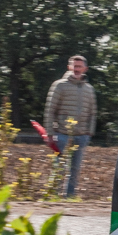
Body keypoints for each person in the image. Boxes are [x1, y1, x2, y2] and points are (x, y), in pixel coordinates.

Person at [44, 55, 97, 198]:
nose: (76, 69)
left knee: (75, 169)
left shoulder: (89, 89)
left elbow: (93, 113)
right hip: (61, 134)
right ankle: (53, 197)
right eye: (74, 66)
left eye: (79, 66)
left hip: (81, 136)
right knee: (58, 168)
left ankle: (69, 197)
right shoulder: (59, 85)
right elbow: (50, 110)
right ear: (69, 67)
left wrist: (89, 133)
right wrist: (49, 134)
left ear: (85, 69)